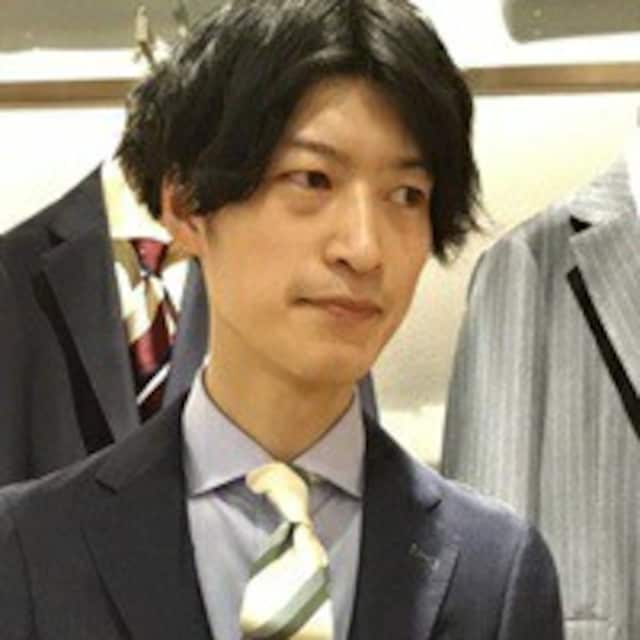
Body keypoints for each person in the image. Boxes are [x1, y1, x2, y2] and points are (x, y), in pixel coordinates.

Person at [0, 1, 564, 638]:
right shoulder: (30, 551)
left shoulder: (496, 572)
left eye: (407, 195)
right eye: (312, 179)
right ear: (186, 205)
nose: (364, 248)